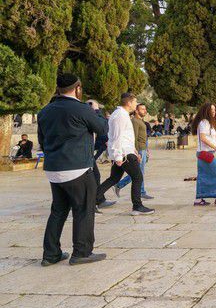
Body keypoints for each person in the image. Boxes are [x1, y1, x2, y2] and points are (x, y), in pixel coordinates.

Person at [37, 73, 108, 266]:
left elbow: (42, 141)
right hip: (77, 168)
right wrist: (96, 111)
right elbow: (102, 129)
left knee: (58, 210)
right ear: (78, 88)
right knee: (84, 209)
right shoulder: (81, 108)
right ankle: (82, 252)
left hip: (54, 169)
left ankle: (50, 254)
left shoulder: (44, 111)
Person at [95, 93, 155, 216]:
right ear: (129, 103)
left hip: (125, 152)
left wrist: (134, 150)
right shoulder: (120, 116)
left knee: (114, 178)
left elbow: (126, 137)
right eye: (135, 102)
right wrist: (117, 157)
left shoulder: (122, 115)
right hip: (123, 154)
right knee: (138, 177)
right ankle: (137, 206)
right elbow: (116, 137)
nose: (135, 104)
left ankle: (91, 202)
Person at [192, 103, 216, 206]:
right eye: (211, 110)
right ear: (206, 111)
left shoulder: (209, 123)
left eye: (214, 110)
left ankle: (199, 199)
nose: (213, 112)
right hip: (204, 153)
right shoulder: (204, 123)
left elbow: (214, 138)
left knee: (204, 176)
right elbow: (203, 138)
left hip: (206, 153)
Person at [114, 103, 153, 200]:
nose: (145, 111)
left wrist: (147, 149)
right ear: (136, 110)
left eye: (145, 109)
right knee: (138, 173)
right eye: (142, 109)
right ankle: (119, 185)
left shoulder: (140, 121)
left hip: (143, 149)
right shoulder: (134, 121)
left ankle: (141, 191)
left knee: (140, 172)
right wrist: (136, 152)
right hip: (139, 149)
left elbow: (143, 137)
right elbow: (134, 137)